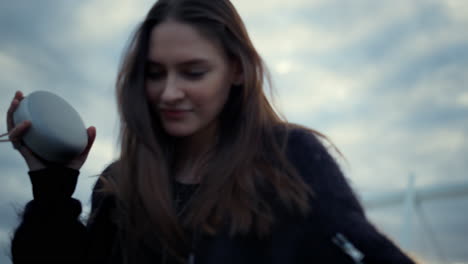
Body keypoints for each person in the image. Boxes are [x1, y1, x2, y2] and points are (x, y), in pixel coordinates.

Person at [6, 0, 416, 263]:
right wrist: (52, 184)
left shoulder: (290, 159)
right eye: (154, 73)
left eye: (193, 72)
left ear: (236, 70)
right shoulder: (122, 184)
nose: (169, 92)